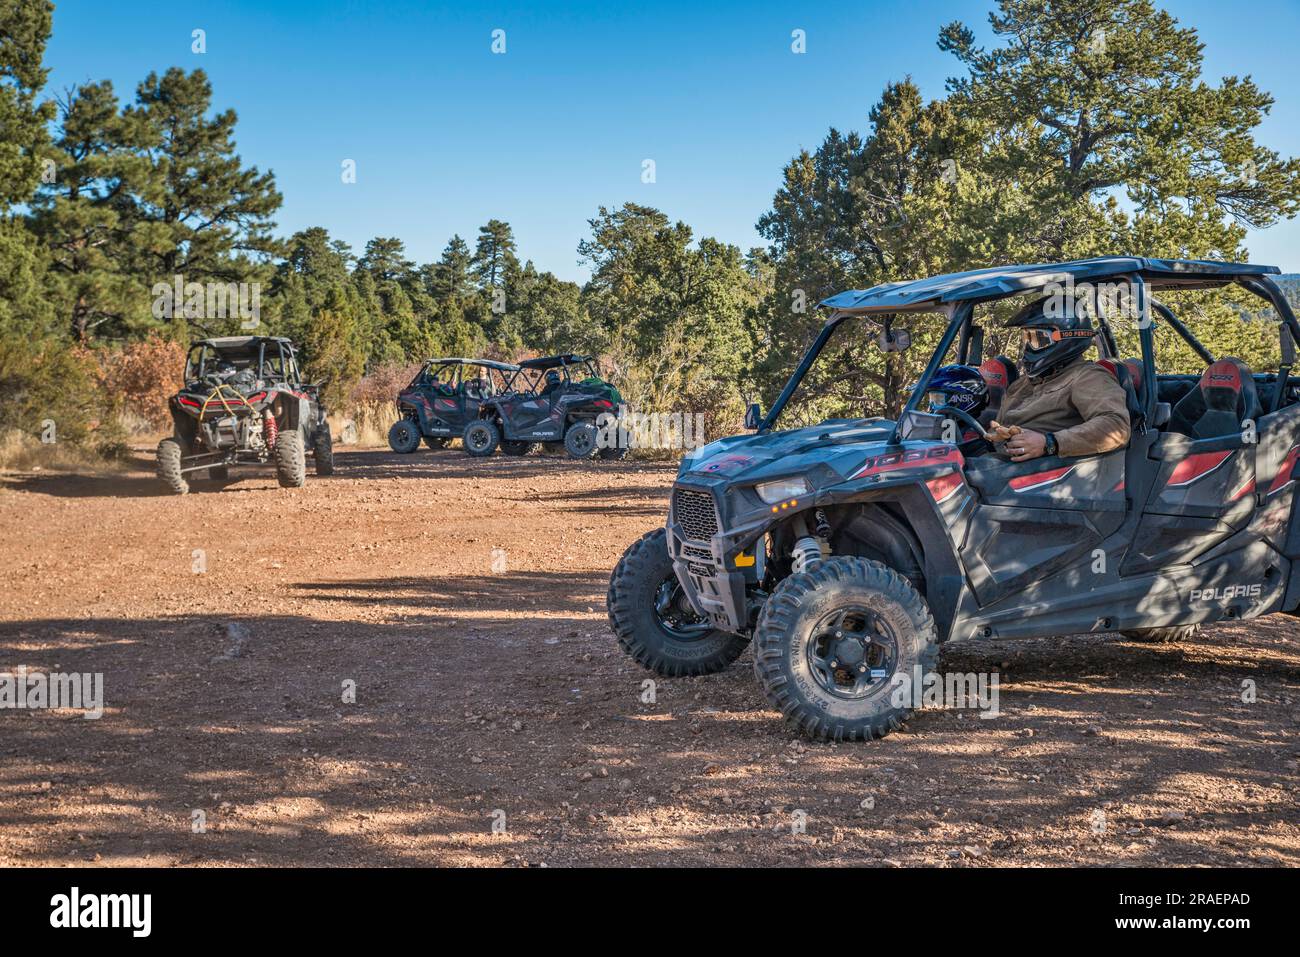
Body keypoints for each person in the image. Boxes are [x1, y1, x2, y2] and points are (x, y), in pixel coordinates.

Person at [988, 297, 1131, 462]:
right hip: (1000, 461)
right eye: (1026, 338)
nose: (1028, 347)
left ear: (1067, 337)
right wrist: (999, 434)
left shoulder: (1087, 376)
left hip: (1042, 473)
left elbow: (1116, 426)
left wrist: (1049, 442)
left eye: (1037, 339)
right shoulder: (1024, 383)